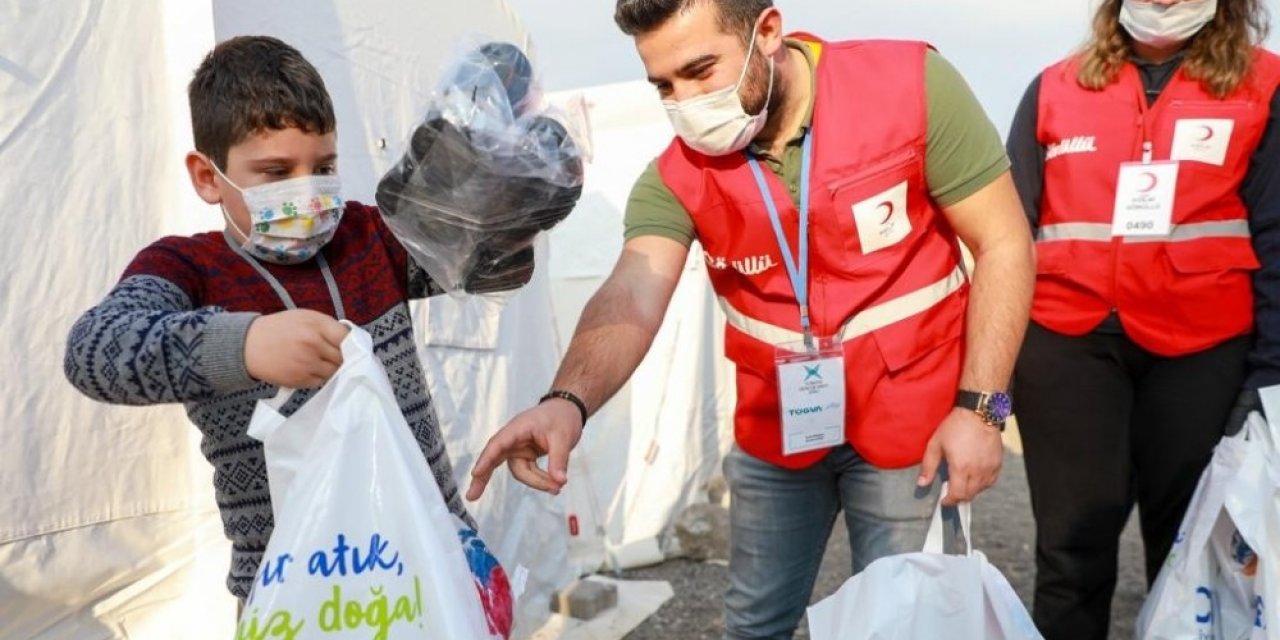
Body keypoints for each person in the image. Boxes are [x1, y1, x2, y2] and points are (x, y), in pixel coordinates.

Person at [466, 1, 1035, 637]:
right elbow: (631, 291)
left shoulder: (911, 87)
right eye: (664, 85)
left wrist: (982, 409)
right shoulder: (675, 176)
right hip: (779, 430)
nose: (684, 101)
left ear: (766, 31)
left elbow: (1004, 243)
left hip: (913, 428)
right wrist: (566, 400)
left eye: (701, 69)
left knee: (908, 619)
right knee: (754, 622)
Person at [61, 36, 533, 605]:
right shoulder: (190, 268)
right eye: (276, 172)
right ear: (208, 177)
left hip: (429, 565)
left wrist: (510, 189)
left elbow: (483, 266)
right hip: (295, 594)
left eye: (324, 166)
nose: (306, 191)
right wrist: (244, 345)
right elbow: (93, 352)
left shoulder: (368, 239)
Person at [1005, 0, 1280, 637]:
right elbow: (1008, 241)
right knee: (1069, 556)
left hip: (1202, 354)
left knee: (1189, 556)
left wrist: (1267, 380)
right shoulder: (1053, 88)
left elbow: (1275, 237)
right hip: (1066, 350)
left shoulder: (1263, 86)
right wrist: (988, 401)